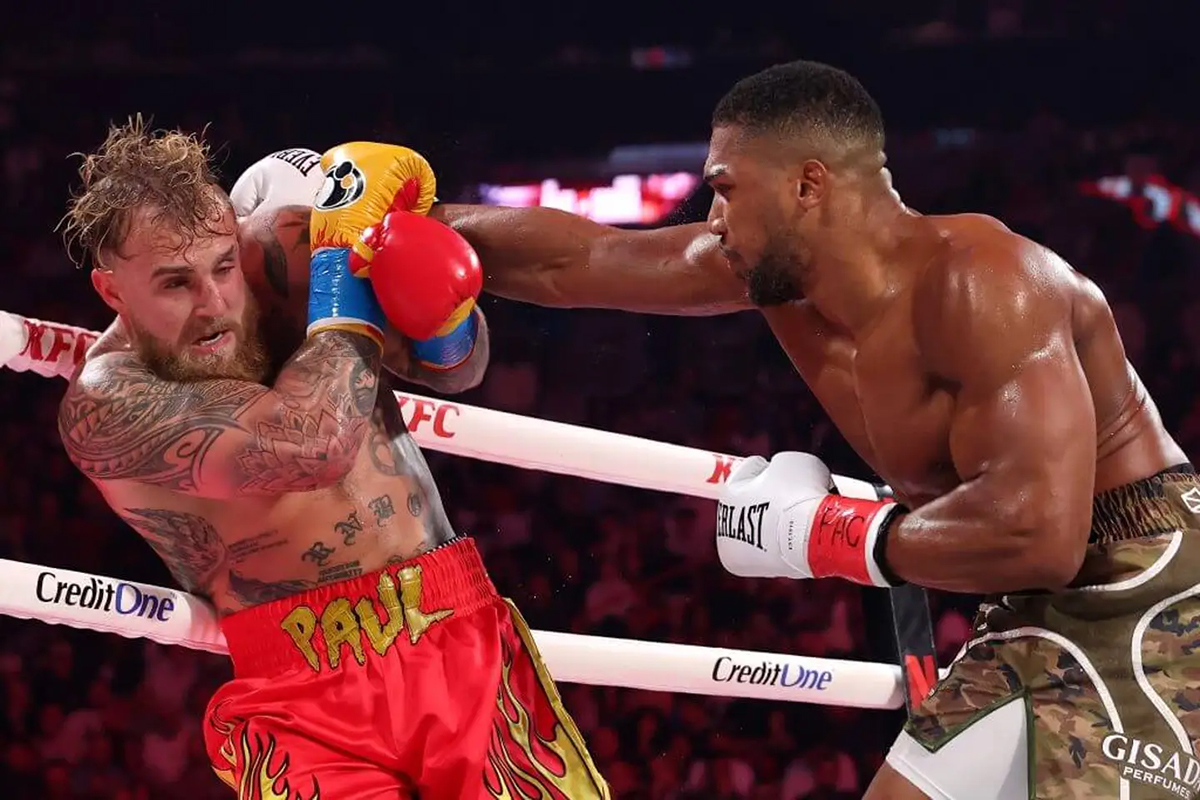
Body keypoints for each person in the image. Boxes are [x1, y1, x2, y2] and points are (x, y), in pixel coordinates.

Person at [434, 61, 1200, 799]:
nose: (714, 219)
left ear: (808, 185)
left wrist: (828, 536)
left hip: (1151, 586)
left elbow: (1041, 534)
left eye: (727, 190)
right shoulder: (772, 280)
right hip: (1028, 598)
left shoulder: (984, 282)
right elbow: (579, 258)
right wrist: (402, 223)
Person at [55, 121, 608, 799]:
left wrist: (445, 320)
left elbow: (460, 371)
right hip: (296, 698)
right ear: (112, 291)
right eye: (175, 284)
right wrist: (341, 278)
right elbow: (308, 447)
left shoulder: (286, 249)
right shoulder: (109, 405)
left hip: (451, 628)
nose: (214, 302)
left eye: (222, 265)